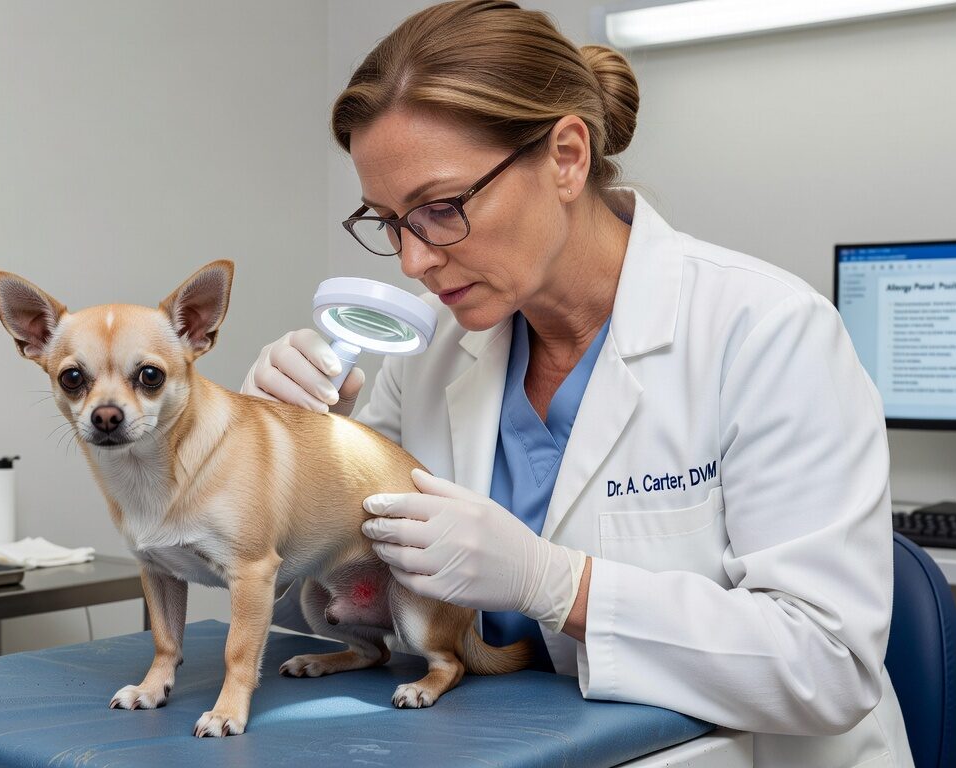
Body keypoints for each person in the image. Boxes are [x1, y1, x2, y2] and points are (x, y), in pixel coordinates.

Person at [242, 2, 910, 765]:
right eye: (390, 221)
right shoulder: (431, 358)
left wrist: (558, 586)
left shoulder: (768, 332)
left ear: (566, 156)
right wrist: (288, 460)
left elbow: (828, 665)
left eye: (441, 209)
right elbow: (330, 611)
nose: (413, 261)